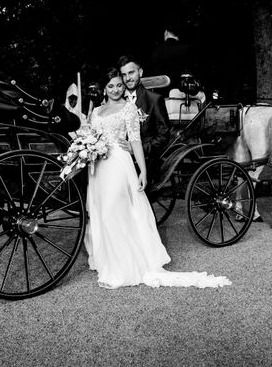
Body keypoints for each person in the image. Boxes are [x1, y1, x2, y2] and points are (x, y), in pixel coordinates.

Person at [84, 67, 231, 289]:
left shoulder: (129, 109)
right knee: (100, 211)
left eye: (119, 85)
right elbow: (91, 135)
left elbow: (134, 141)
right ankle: (106, 258)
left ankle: (123, 265)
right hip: (98, 168)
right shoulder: (96, 112)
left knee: (113, 208)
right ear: (105, 88)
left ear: (124, 87)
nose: (115, 90)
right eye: (111, 86)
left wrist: (142, 170)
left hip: (118, 164)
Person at [117, 55, 171, 183]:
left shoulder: (154, 100)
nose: (128, 78)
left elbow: (163, 136)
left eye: (131, 72)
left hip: (146, 160)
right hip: (119, 159)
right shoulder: (116, 100)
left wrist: (136, 149)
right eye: (124, 75)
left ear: (140, 72)